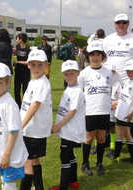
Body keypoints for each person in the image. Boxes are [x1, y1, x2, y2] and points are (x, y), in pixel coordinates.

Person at [103, 13, 133, 162]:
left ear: (128, 23)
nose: (121, 25)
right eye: (118, 22)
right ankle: (107, 144)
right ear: (114, 24)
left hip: (129, 83)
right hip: (111, 84)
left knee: (130, 116)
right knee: (109, 114)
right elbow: (103, 60)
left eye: (124, 22)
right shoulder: (108, 39)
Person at [0, 63, 28, 190]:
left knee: (10, 182)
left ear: (8, 83)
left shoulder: (9, 105)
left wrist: (6, 154)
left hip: (10, 154)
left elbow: (14, 132)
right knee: (4, 178)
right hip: (0, 150)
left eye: (0, 82)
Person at [78, 41, 114, 176]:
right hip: (90, 111)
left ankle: (99, 164)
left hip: (104, 111)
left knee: (101, 139)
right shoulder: (84, 73)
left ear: (102, 56)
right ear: (88, 57)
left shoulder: (108, 72)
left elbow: (109, 89)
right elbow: (80, 92)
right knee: (88, 139)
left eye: (98, 54)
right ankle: (85, 164)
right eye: (92, 54)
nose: (95, 57)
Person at [49, 60, 85, 190]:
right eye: (66, 74)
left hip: (71, 129)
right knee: (69, 154)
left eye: (72, 73)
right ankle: (73, 181)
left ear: (78, 73)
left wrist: (58, 125)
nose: (69, 76)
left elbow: (72, 111)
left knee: (64, 155)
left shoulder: (77, 91)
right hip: (67, 129)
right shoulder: (69, 88)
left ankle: (63, 186)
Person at [20, 49, 52, 190]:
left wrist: (21, 125)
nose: (37, 68)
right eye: (33, 65)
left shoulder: (42, 83)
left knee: (26, 162)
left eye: (40, 64)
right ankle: (39, 187)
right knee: (34, 160)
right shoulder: (34, 81)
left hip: (33, 130)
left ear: (46, 65)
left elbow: (34, 106)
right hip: (31, 129)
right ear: (28, 65)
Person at [112, 60, 133, 164]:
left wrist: (131, 113)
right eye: (128, 71)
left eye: (132, 71)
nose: (130, 73)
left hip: (126, 114)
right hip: (122, 112)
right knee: (127, 134)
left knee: (120, 134)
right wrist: (116, 103)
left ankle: (116, 156)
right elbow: (125, 97)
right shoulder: (129, 81)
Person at [13, 33, 31, 108]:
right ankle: (18, 105)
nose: (16, 40)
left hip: (25, 73)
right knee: (16, 90)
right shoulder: (17, 47)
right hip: (18, 72)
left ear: (21, 39)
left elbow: (28, 62)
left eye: (17, 38)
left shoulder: (28, 49)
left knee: (25, 90)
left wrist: (18, 62)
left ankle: (25, 106)